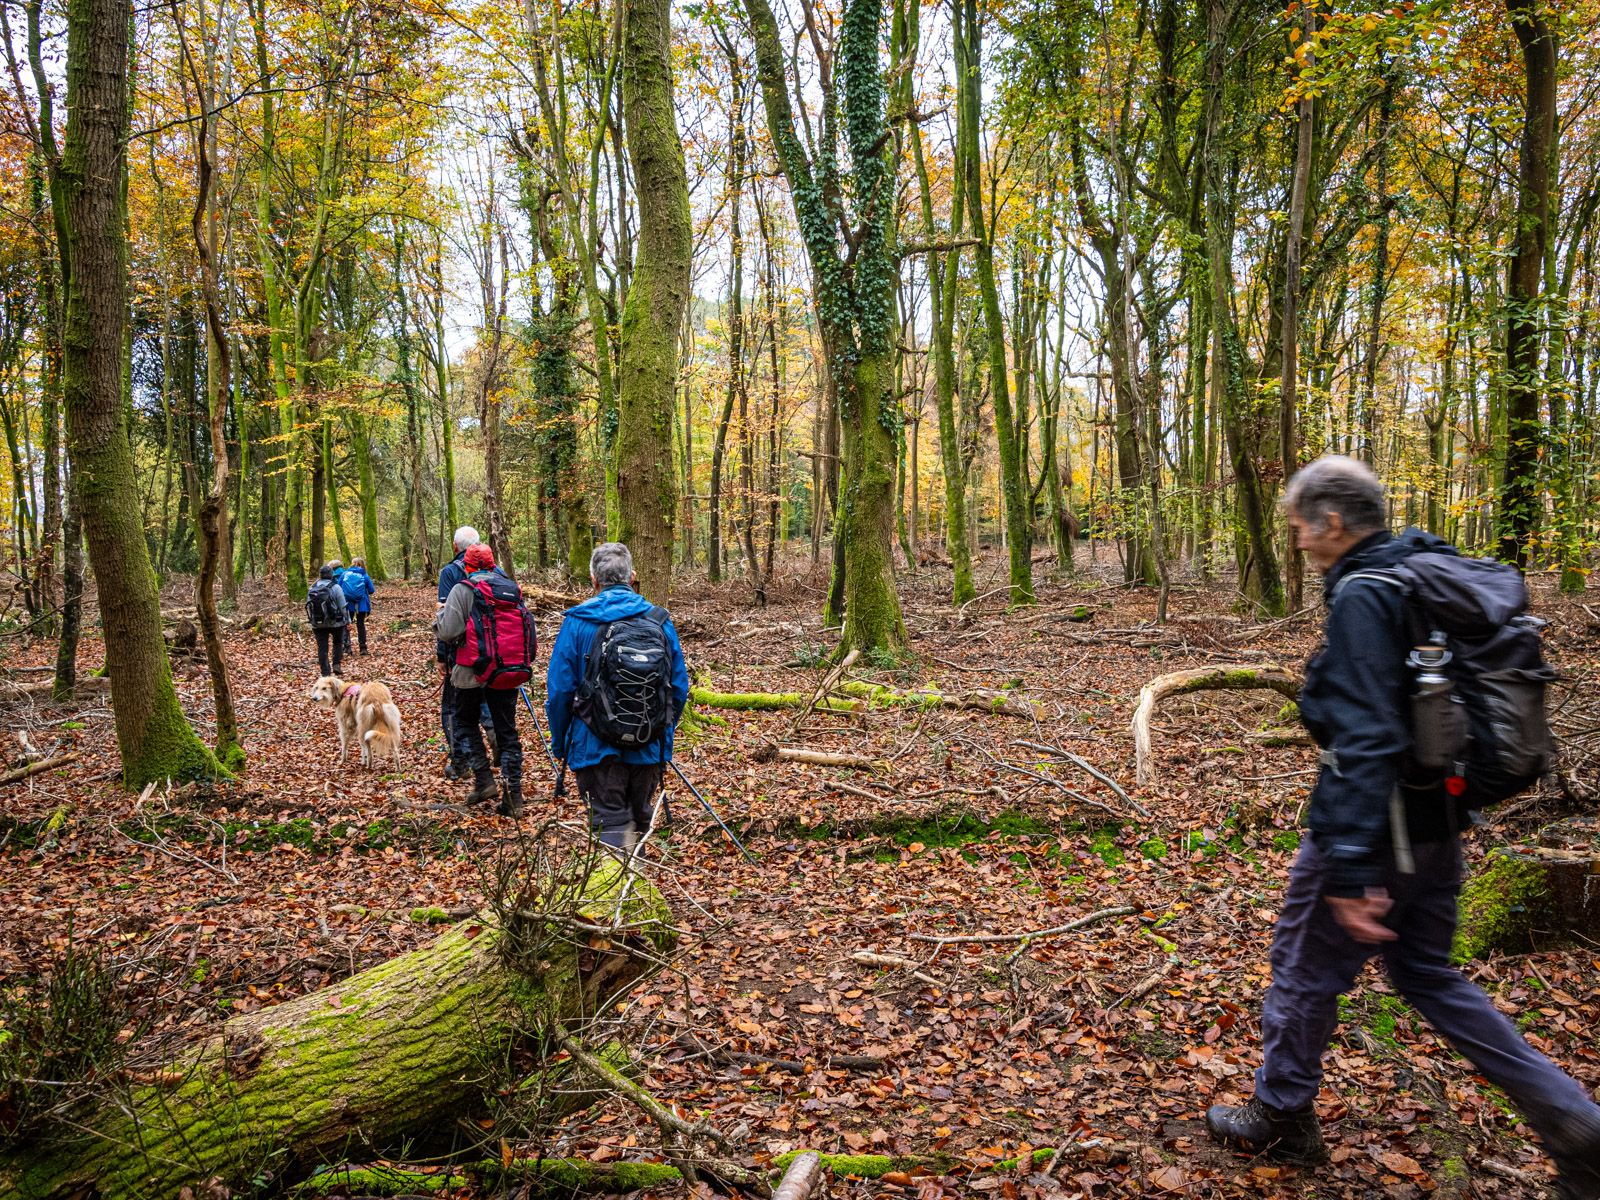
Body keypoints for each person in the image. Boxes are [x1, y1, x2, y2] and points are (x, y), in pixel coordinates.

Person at [1205, 456, 1600, 1197]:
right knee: (1426, 973)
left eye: (1300, 526)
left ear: (1331, 521)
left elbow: (1367, 738)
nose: (1298, 541)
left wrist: (1351, 867)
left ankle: (1281, 1114)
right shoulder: (1423, 575)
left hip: (1377, 827)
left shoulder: (1367, 593)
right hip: (1438, 822)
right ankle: (1574, 1121)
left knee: (1303, 968)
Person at [545, 542, 689, 850]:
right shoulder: (659, 621)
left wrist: (561, 743)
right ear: (632, 577)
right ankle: (634, 876)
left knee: (609, 825)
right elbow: (678, 688)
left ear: (594, 580)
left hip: (594, 747)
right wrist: (659, 731)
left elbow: (559, 691)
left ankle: (619, 879)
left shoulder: (578, 622)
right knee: (639, 822)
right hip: (648, 746)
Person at [434, 542, 527, 815]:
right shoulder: (510, 588)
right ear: (492, 564)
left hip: (470, 671)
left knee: (464, 722)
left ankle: (484, 780)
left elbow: (448, 631)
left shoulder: (462, 590)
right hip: (506, 670)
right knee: (507, 731)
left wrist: (439, 617)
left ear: (468, 566)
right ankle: (514, 795)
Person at [437, 527, 479, 780]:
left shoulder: (450, 572)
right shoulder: (497, 573)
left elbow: (445, 620)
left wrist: (442, 655)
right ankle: (493, 744)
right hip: (497, 654)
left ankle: (461, 761)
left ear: (455, 546)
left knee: (452, 708)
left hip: (461, 654)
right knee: (486, 704)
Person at [306, 563, 349, 677]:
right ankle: (336, 664)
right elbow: (342, 606)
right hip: (336, 622)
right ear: (331, 575)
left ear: (320, 575)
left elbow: (309, 605)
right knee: (337, 642)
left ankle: (325, 672)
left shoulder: (312, 588)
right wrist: (347, 620)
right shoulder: (336, 587)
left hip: (318, 623)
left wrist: (312, 620)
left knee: (322, 647)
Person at [341, 557, 376, 654]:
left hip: (348, 604)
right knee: (360, 625)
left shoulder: (345, 574)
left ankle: (347, 647)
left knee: (347, 624)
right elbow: (372, 590)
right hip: (361, 605)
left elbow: (339, 587)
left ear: (352, 564)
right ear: (362, 564)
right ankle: (363, 648)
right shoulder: (364, 575)